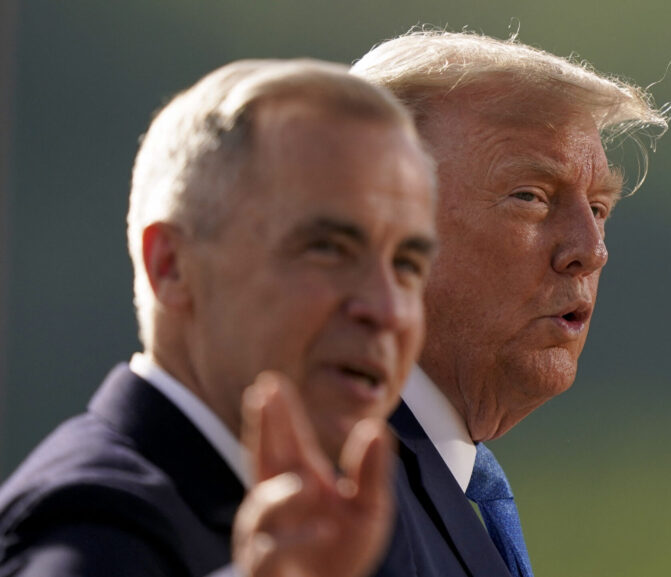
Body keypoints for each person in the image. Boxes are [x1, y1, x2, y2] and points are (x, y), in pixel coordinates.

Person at [0, 58, 437, 577]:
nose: (387, 310)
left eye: (407, 264)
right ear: (172, 267)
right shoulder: (92, 529)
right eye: (328, 249)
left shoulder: (329, 533)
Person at [349, 30, 671, 577]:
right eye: (531, 196)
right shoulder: (329, 507)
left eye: (598, 208)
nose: (590, 253)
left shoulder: (424, 481)